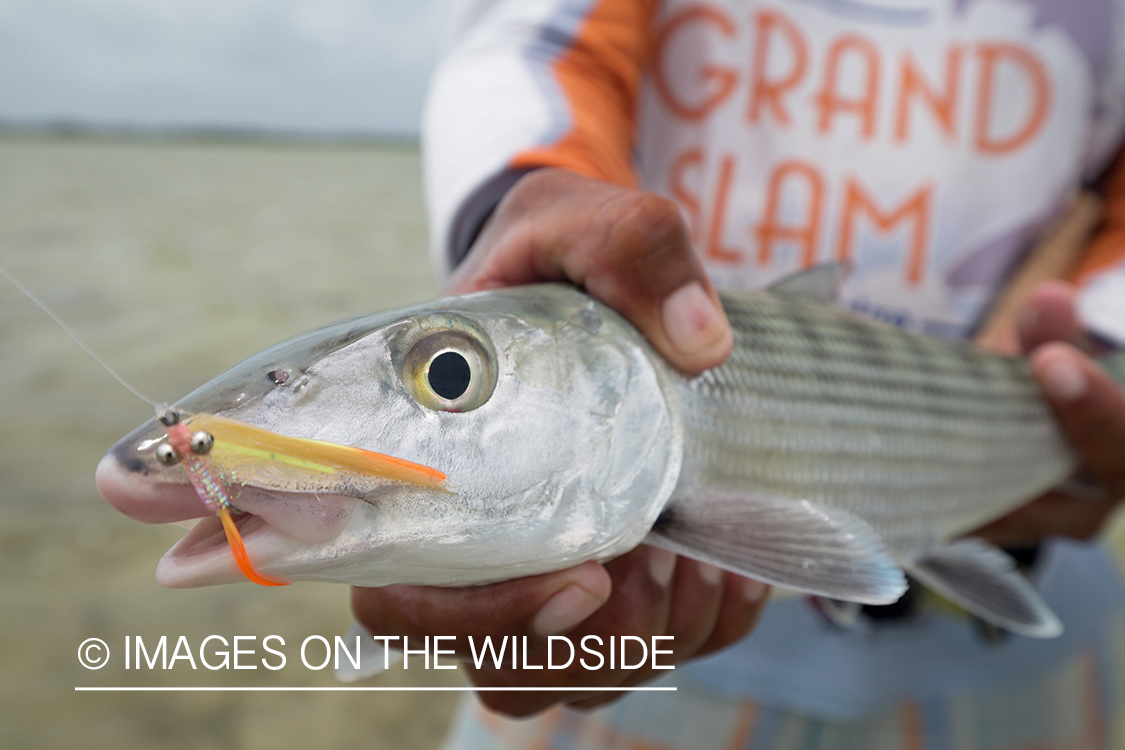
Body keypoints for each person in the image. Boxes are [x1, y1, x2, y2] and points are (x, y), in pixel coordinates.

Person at [354, 1, 1125, 746]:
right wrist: (517, 214)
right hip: (650, 659)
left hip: (1025, 639)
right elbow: (540, 44)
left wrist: (1100, 327)